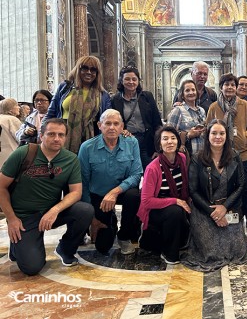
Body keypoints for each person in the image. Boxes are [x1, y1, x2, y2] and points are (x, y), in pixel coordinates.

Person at [0, 118, 94, 275]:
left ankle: (65, 248)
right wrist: (12, 219)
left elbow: (76, 192)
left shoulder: (70, 159)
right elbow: (1, 186)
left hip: (50, 212)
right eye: (51, 134)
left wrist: (55, 210)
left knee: (85, 210)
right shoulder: (24, 153)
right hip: (24, 217)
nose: (56, 138)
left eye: (61, 135)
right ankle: (17, 246)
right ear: (41, 136)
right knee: (32, 268)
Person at [181, 119, 247, 271]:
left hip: (230, 207)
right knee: (211, 252)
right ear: (207, 136)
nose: (218, 137)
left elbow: (241, 185)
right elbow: (193, 190)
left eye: (222, 133)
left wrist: (224, 208)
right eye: (214, 133)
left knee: (237, 250)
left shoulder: (234, 156)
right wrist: (213, 213)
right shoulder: (197, 159)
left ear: (227, 136)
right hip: (204, 210)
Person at [78, 109, 143, 255]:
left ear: (122, 127)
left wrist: (115, 192)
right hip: (98, 196)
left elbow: (136, 174)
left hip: (122, 192)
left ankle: (124, 235)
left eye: (116, 124)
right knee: (102, 246)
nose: (112, 127)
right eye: (107, 123)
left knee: (134, 195)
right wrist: (92, 218)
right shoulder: (87, 148)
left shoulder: (132, 143)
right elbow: (83, 183)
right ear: (100, 125)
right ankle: (109, 220)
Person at [206, 73, 247, 228]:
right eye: (226, 84)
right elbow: (208, 129)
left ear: (236, 88)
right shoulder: (214, 106)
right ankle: (228, 219)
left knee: (246, 186)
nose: (229, 87)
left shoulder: (244, 105)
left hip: (243, 152)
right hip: (221, 154)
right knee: (226, 188)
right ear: (221, 87)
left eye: (232, 85)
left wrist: (246, 137)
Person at [137, 126, 191, 264]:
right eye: (165, 139)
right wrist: (175, 201)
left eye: (173, 138)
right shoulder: (153, 167)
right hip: (156, 208)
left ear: (178, 142)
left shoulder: (182, 159)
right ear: (159, 144)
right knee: (175, 212)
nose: (170, 142)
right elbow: (146, 201)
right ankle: (169, 253)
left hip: (179, 204)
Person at [45, 55, 111, 153]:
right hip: (63, 134)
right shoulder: (64, 88)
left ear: (97, 74)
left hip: (91, 137)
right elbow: (51, 113)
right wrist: (42, 133)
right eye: (84, 68)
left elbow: (107, 119)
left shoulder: (103, 95)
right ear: (77, 69)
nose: (89, 72)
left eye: (93, 70)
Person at [111, 66, 162, 169]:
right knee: (130, 171)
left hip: (148, 141)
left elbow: (157, 123)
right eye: (127, 79)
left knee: (148, 171)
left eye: (134, 79)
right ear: (121, 80)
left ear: (138, 81)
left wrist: (158, 148)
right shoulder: (115, 100)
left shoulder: (147, 96)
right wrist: (122, 130)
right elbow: (114, 122)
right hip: (128, 142)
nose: (131, 82)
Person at [166, 80, 206, 156]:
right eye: (187, 90)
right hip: (187, 155)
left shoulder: (202, 111)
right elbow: (168, 133)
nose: (191, 93)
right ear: (182, 95)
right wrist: (188, 135)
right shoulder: (178, 110)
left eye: (193, 90)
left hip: (202, 155)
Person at [0, 98, 22, 168]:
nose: (19, 107)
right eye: (16, 105)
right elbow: (21, 137)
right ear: (10, 108)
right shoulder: (12, 119)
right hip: (11, 155)